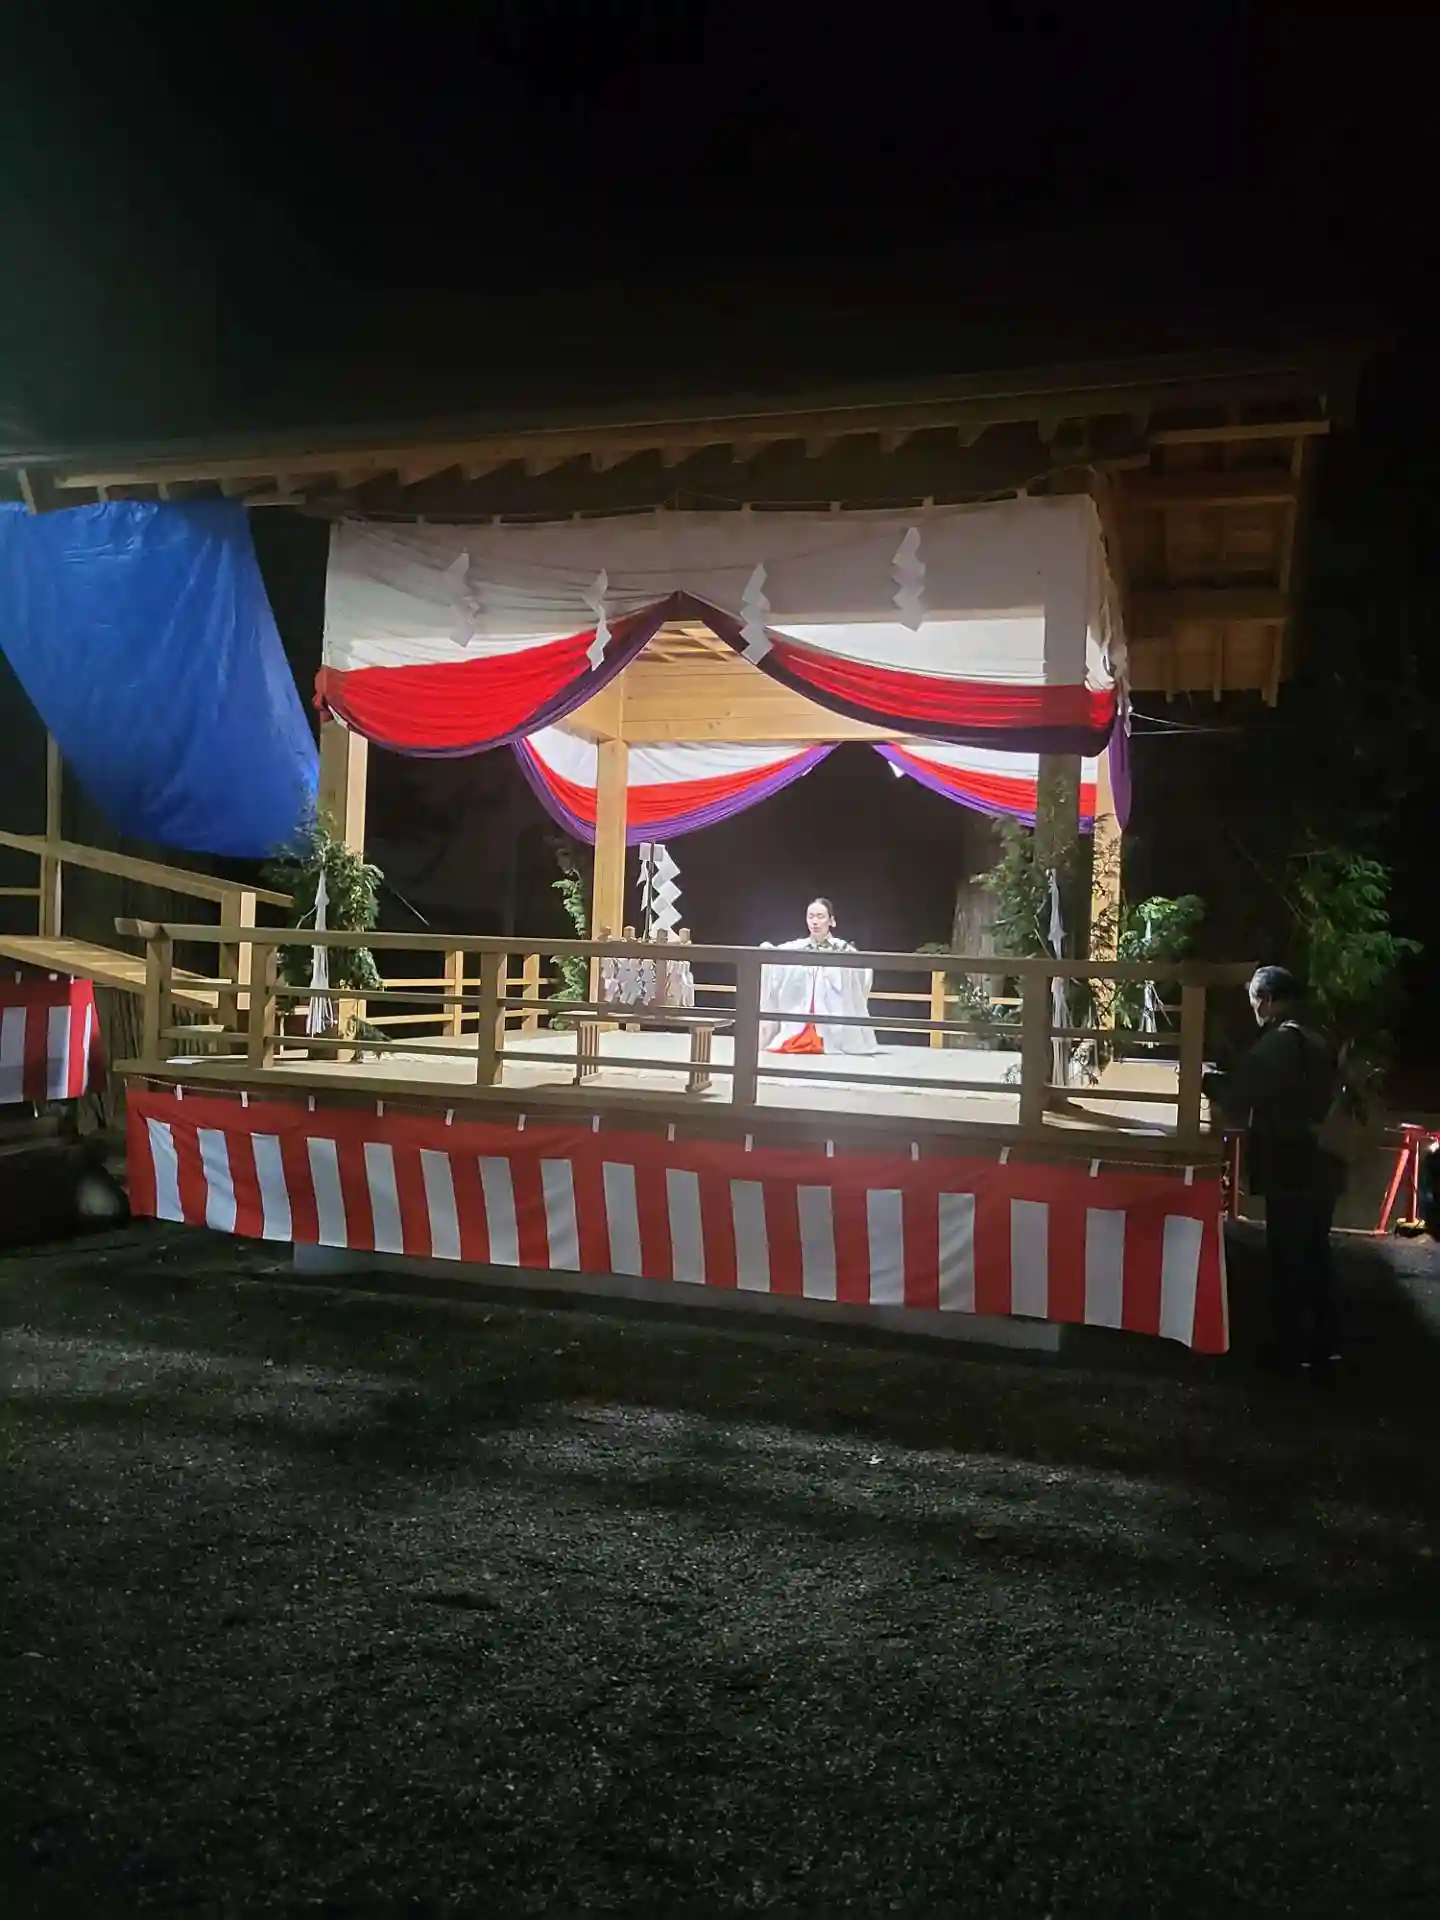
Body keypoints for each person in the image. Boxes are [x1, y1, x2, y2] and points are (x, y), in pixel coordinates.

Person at [1203, 966, 1343, 1374]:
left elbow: (1241, 1092)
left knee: (1288, 1256)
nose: (1254, 1010)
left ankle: (1288, 1351)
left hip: (1292, 1161)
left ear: (1266, 1000)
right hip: (1325, 1159)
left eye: (1254, 1001)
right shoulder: (1318, 1033)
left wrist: (1205, 1080)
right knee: (1315, 1253)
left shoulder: (1281, 1042)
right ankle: (1324, 1346)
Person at [758, 898, 878, 1055]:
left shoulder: (842, 948)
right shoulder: (798, 947)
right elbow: (776, 956)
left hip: (831, 1018)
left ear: (831, 921)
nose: (815, 922)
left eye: (820, 917)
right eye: (811, 916)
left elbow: (860, 977)